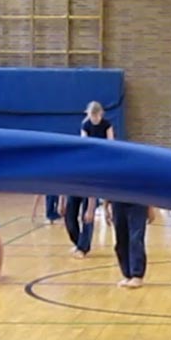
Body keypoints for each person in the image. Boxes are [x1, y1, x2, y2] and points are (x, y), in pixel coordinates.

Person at [63, 101, 116, 259]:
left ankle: (83, 248)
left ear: (101, 114)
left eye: (96, 115)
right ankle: (78, 242)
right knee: (70, 216)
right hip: (82, 171)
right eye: (91, 115)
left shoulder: (107, 125)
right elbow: (83, 142)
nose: (94, 118)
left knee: (88, 213)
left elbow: (111, 144)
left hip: (98, 167)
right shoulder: (85, 125)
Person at [107, 200, 155, 287]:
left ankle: (137, 274)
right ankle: (127, 274)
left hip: (138, 201)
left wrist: (150, 206)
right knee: (121, 239)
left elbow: (148, 186)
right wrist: (106, 207)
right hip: (117, 200)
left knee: (135, 238)